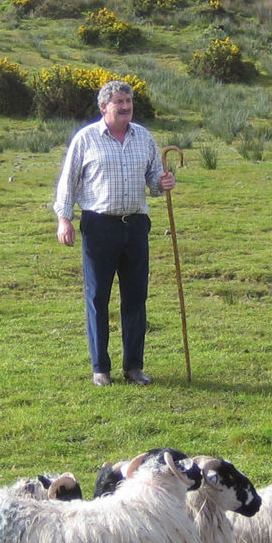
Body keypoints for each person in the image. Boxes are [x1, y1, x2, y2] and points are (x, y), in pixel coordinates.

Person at [53, 80, 176, 386]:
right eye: (119, 102)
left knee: (136, 298)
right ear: (103, 107)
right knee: (98, 298)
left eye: (128, 101)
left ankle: (134, 367)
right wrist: (64, 219)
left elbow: (153, 181)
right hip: (99, 227)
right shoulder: (86, 139)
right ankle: (100, 368)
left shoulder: (144, 137)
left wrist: (164, 183)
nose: (125, 107)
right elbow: (69, 181)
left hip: (135, 226)